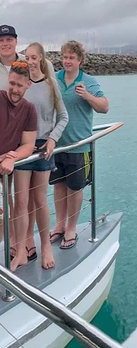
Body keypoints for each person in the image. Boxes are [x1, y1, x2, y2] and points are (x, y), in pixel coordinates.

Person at [12, 43, 68, 270]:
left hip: (44, 146)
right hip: (22, 146)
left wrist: (53, 139)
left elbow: (63, 117)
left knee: (40, 200)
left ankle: (45, 245)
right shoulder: (23, 85)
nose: (31, 61)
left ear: (42, 58)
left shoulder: (51, 84)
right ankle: (22, 248)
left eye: (34, 57)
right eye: (28, 57)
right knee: (21, 202)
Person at [50, 40, 108, 250]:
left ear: (80, 60)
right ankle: (59, 225)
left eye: (71, 58)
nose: (67, 61)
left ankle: (71, 228)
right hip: (56, 145)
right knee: (58, 186)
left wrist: (87, 96)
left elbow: (104, 107)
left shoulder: (88, 81)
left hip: (79, 146)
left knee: (75, 188)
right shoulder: (54, 78)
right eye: (64, 57)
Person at [0, 62, 38, 265]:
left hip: (7, 163)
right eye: (12, 83)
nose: (14, 89)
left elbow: (29, 144)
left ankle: (18, 247)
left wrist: (11, 157)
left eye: (19, 86)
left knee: (16, 205)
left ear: (28, 85)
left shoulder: (29, 110)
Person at [0, 25, 25, 90]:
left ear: (16, 41)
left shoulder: (29, 63)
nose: (5, 43)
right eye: (1, 40)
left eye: (9, 39)